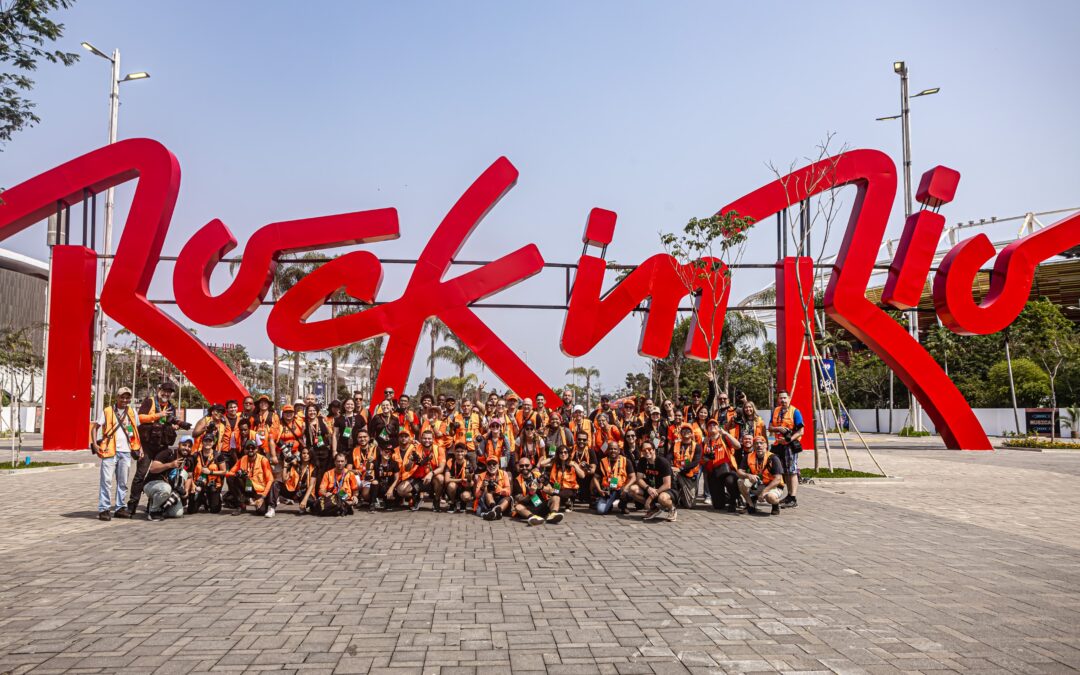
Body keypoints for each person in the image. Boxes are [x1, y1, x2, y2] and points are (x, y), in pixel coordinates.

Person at [129, 380, 183, 516]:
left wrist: (175, 426)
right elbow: (140, 418)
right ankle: (132, 505)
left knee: (158, 473)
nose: (166, 394)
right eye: (164, 390)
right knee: (140, 475)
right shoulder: (150, 401)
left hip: (161, 445)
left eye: (169, 392)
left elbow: (170, 422)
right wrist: (158, 416)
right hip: (147, 445)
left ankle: (152, 503)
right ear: (159, 390)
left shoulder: (170, 406)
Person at [90, 386, 142, 521]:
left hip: (125, 451)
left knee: (123, 482)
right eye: (122, 397)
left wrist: (138, 447)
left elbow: (134, 430)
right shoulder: (108, 411)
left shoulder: (131, 412)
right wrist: (95, 444)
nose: (124, 400)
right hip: (109, 451)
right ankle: (104, 509)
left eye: (127, 397)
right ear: (117, 397)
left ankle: (120, 508)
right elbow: (95, 427)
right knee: (106, 481)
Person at [211, 439, 278, 517]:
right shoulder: (242, 459)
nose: (250, 450)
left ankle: (252, 501)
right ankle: (241, 505)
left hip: (259, 491)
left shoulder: (263, 460)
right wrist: (237, 474)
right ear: (245, 449)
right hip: (247, 487)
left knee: (261, 511)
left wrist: (263, 496)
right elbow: (229, 474)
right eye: (248, 448)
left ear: (257, 449)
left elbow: (270, 480)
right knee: (230, 478)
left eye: (253, 448)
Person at [142, 434, 195, 521]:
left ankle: (158, 507)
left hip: (171, 489)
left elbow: (189, 477)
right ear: (179, 445)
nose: (186, 448)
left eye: (189, 446)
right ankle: (153, 512)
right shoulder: (168, 453)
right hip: (153, 484)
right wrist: (170, 465)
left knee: (178, 513)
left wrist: (185, 491)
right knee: (165, 488)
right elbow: (152, 469)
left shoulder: (189, 460)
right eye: (184, 445)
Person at [768, 390, 804, 508]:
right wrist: (779, 428)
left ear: (789, 399)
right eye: (780, 398)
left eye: (785, 398)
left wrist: (789, 439)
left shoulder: (795, 411)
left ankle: (793, 498)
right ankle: (788, 496)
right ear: (778, 399)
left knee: (791, 471)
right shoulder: (776, 411)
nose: (783, 400)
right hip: (778, 445)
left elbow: (801, 431)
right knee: (782, 471)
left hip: (790, 446)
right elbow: (770, 428)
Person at [626, 440, 676, 521]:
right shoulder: (642, 461)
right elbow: (639, 479)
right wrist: (648, 488)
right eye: (644, 450)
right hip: (651, 488)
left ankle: (672, 508)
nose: (647, 451)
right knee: (632, 490)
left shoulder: (663, 462)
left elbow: (667, 484)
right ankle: (654, 508)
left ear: (654, 450)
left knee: (662, 498)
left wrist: (651, 497)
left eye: (649, 449)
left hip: (666, 489)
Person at [737, 436, 786, 515]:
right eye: (756, 443)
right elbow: (739, 471)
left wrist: (764, 492)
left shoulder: (773, 458)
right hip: (758, 484)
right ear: (753, 446)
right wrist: (748, 475)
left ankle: (776, 504)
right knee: (740, 481)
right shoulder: (749, 456)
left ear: (766, 445)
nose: (759, 445)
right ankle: (751, 505)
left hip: (773, 486)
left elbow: (778, 479)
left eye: (761, 443)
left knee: (770, 498)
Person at [702, 419, 740, 513]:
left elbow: (738, 446)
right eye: (709, 425)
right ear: (707, 429)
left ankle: (733, 501)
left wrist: (726, 434)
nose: (712, 426)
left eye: (715, 425)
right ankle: (728, 497)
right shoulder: (705, 442)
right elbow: (701, 460)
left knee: (730, 481)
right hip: (714, 472)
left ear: (719, 428)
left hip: (727, 470)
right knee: (718, 505)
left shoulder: (724, 438)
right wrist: (706, 459)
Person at [593, 440, 635, 515]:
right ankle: (609, 505)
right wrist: (599, 490)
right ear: (607, 450)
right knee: (600, 511)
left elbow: (633, 477)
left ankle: (623, 505)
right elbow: (596, 478)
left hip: (621, 489)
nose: (613, 451)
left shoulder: (626, 461)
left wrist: (626, 487)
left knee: (630, 493)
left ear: (619, 451)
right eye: (611, 449)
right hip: (608, 490)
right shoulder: (602, 461)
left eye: (615, 449)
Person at [189, 431, 225, 515]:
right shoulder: (195, 455)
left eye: (210, 441)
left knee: (215, 510)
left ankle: (216, 497)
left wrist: (210, 472)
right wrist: (193, 485)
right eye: (206, 441)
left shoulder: (218, 455)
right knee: (191, 510)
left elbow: (224, 472)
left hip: (212, 485)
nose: (208, 443)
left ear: (213, 442)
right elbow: (190, 473)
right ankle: (202, 499)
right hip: (199, 484)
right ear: (202, 442)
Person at [543, 446, 581, 522]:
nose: (563, 454)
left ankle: (565, 500)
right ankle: (553, 513)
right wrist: (552, 458)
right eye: (561, 452)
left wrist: (575, 466)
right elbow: (541, 464)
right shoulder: (555, 463)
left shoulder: (573, 463)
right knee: (555, 495)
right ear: (558, 454)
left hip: (570, 489)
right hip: (558, 488)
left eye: (565, 452)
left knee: (553, 493)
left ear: (568, 453)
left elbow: (582, 475)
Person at [670, 424, 702, 509]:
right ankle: (673, 499)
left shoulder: (697, 446)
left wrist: (681, 468)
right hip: (677, 473)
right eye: (683, 430)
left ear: (692, 434)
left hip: (689, 475)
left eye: (688, 431)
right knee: (671, 474)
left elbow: (696, 461)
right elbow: (668, 457)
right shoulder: (675, 444)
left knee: (689, 505)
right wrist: (669, 467)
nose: (686, 432)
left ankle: (682, 497)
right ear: (680, 433)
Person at [510, 457, 549, 526]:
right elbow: (519, 499)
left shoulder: (538, 475)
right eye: (521, 466)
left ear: (531, 465)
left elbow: (551, 490)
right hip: (529, 507)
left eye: (527, 465)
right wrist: (530, 493)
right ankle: (533, 518)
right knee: (518, 507)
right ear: (519, 467)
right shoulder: (516, 480)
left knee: (555, 498)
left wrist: (541, 487)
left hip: (541, 503)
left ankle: (553, 514)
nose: (524, 467)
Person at [303, 403, 333, 485]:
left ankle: (323, 489)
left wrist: (330, 445)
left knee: (324, 471)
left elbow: (329, 433)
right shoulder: (304, 423)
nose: (312, 412)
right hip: (313, 451)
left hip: (324, 450)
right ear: (307, 412)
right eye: (310, 411)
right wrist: (305, 447)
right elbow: (302, 437)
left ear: (317, 412)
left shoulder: (322, 420)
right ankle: (314, 491)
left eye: (314, 410)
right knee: (315, 471)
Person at [280, 446, 316, 514]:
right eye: (304, 453)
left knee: (310, 501)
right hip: (293, 491)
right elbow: (284, 480)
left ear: (311, 455)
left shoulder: (314, 468)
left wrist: (304, 500)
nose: (306, 455)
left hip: (305, 493)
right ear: (301, 455)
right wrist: (285, 466)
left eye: (308, 453)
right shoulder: (296, 465)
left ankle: (306, 506)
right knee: (276, 484)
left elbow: (311, 486)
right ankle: (272, 507)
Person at [475, 455, 512, 521]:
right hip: (487, 501)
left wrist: (497, 488)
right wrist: (482, 487)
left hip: (500, 499)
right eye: (489, 464)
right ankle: (494, 510)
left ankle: (497, 511)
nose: (492, 466)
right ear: (486, 466)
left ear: (498, 465)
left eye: (494, 464)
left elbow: (508, 492)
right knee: (488, 492)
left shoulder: (504, 474)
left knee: (509, 498)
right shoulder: (481, 476)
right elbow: (477, 495)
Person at [442, 443, 473, 514]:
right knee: (451, 485)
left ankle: (463, 503)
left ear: (465, 452)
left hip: (464, 488)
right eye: (457, 451)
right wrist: (461, 480)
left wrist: (469, 481)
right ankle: (452, 503)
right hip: (453, 488)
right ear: (454, 452)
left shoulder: (469, 464)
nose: (459, 453)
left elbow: (471, 483)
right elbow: (446, 480)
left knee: (466, 496)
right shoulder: (450, 462)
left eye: (461, 451)